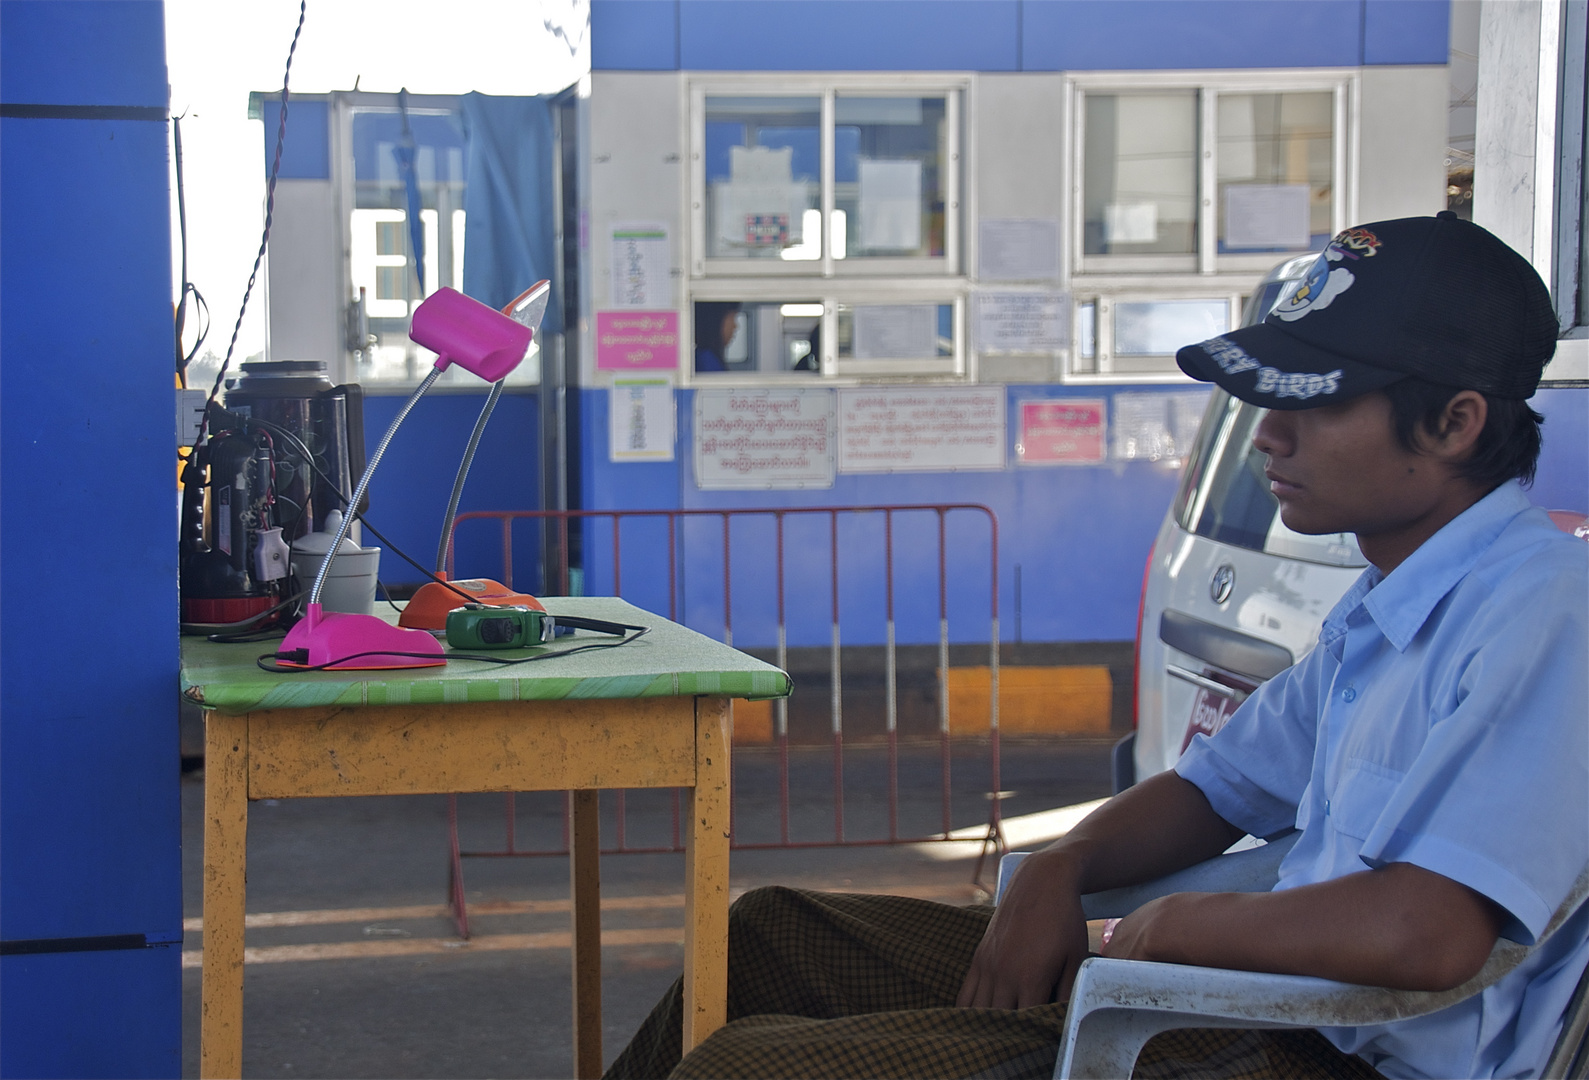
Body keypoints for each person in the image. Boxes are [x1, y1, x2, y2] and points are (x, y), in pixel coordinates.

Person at [607, 213, 1589, 1080]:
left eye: (1317, 401)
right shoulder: (1383, 606)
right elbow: (1215, 790)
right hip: (1231, 998)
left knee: (749, 1069)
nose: (1266, 439)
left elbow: (1428, 934)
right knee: (767, 937)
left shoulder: (1539, 609)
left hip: (1324, 1049)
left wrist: (1157, 930)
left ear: (1455, 423)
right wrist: (1060, 866)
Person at [694, 301, 741, 373]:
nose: (735, 326)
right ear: (717, 320)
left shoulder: (704, 357)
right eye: (733, 317)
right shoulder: (707, 361)